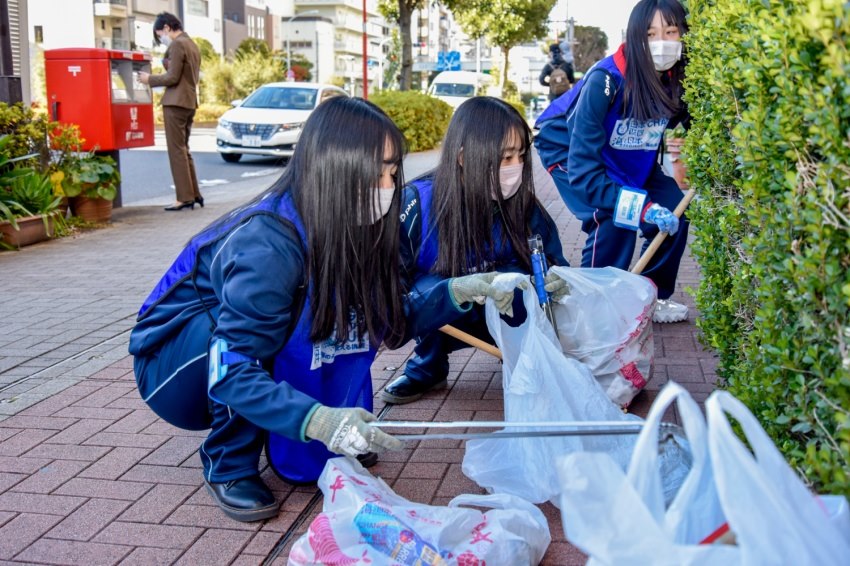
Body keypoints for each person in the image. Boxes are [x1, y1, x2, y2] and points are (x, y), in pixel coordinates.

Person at [129, 97, 524, 522]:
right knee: (259, 340)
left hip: (235, 347)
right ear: (334, 170)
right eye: (376, 173)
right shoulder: (269, 242)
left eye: (393, 172)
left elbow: (389, 325)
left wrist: (455, 292)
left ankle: (296, 429)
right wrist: (318, 421)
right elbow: (232, 366)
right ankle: (228, 461)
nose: (389, 188)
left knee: (339, 315)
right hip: (178, 361)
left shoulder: (359, 226)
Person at [382, 96, 570, 404]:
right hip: (442, 319)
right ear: (463, 157)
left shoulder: (523, 205)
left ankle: (519, 355)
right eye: (505, 158)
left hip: (501, 310)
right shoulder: (417, 203)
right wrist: (449, 293)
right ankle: (426, 368)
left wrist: (553, 279)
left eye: (521, 156)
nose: (516, 168)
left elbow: (552, 260)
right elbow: (393, 288)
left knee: (518, 280)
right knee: (429, 287)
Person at [534, 0, 691, 323]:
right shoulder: (606, 80)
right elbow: (586, 172)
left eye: (671, 31)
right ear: (634, 37)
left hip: (629, 155)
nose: (661, 42)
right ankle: (592, 308)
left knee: (675, 211)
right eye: (650, 34)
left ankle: (650, 297)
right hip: (571, 151)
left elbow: (690, 122)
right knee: (614, 217)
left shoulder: (679, 76)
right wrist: (641, 208)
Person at [139, 12, 203, 212]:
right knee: (184, 149)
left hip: (175, 102)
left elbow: (172, 77)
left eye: (159, 34)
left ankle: (183, 198)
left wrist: (149, 79)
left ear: (167, 27)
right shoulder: (192, 44)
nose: (161, 39)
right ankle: (194, 194)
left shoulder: (177, 45)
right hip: (190, 101)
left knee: (176, 150)